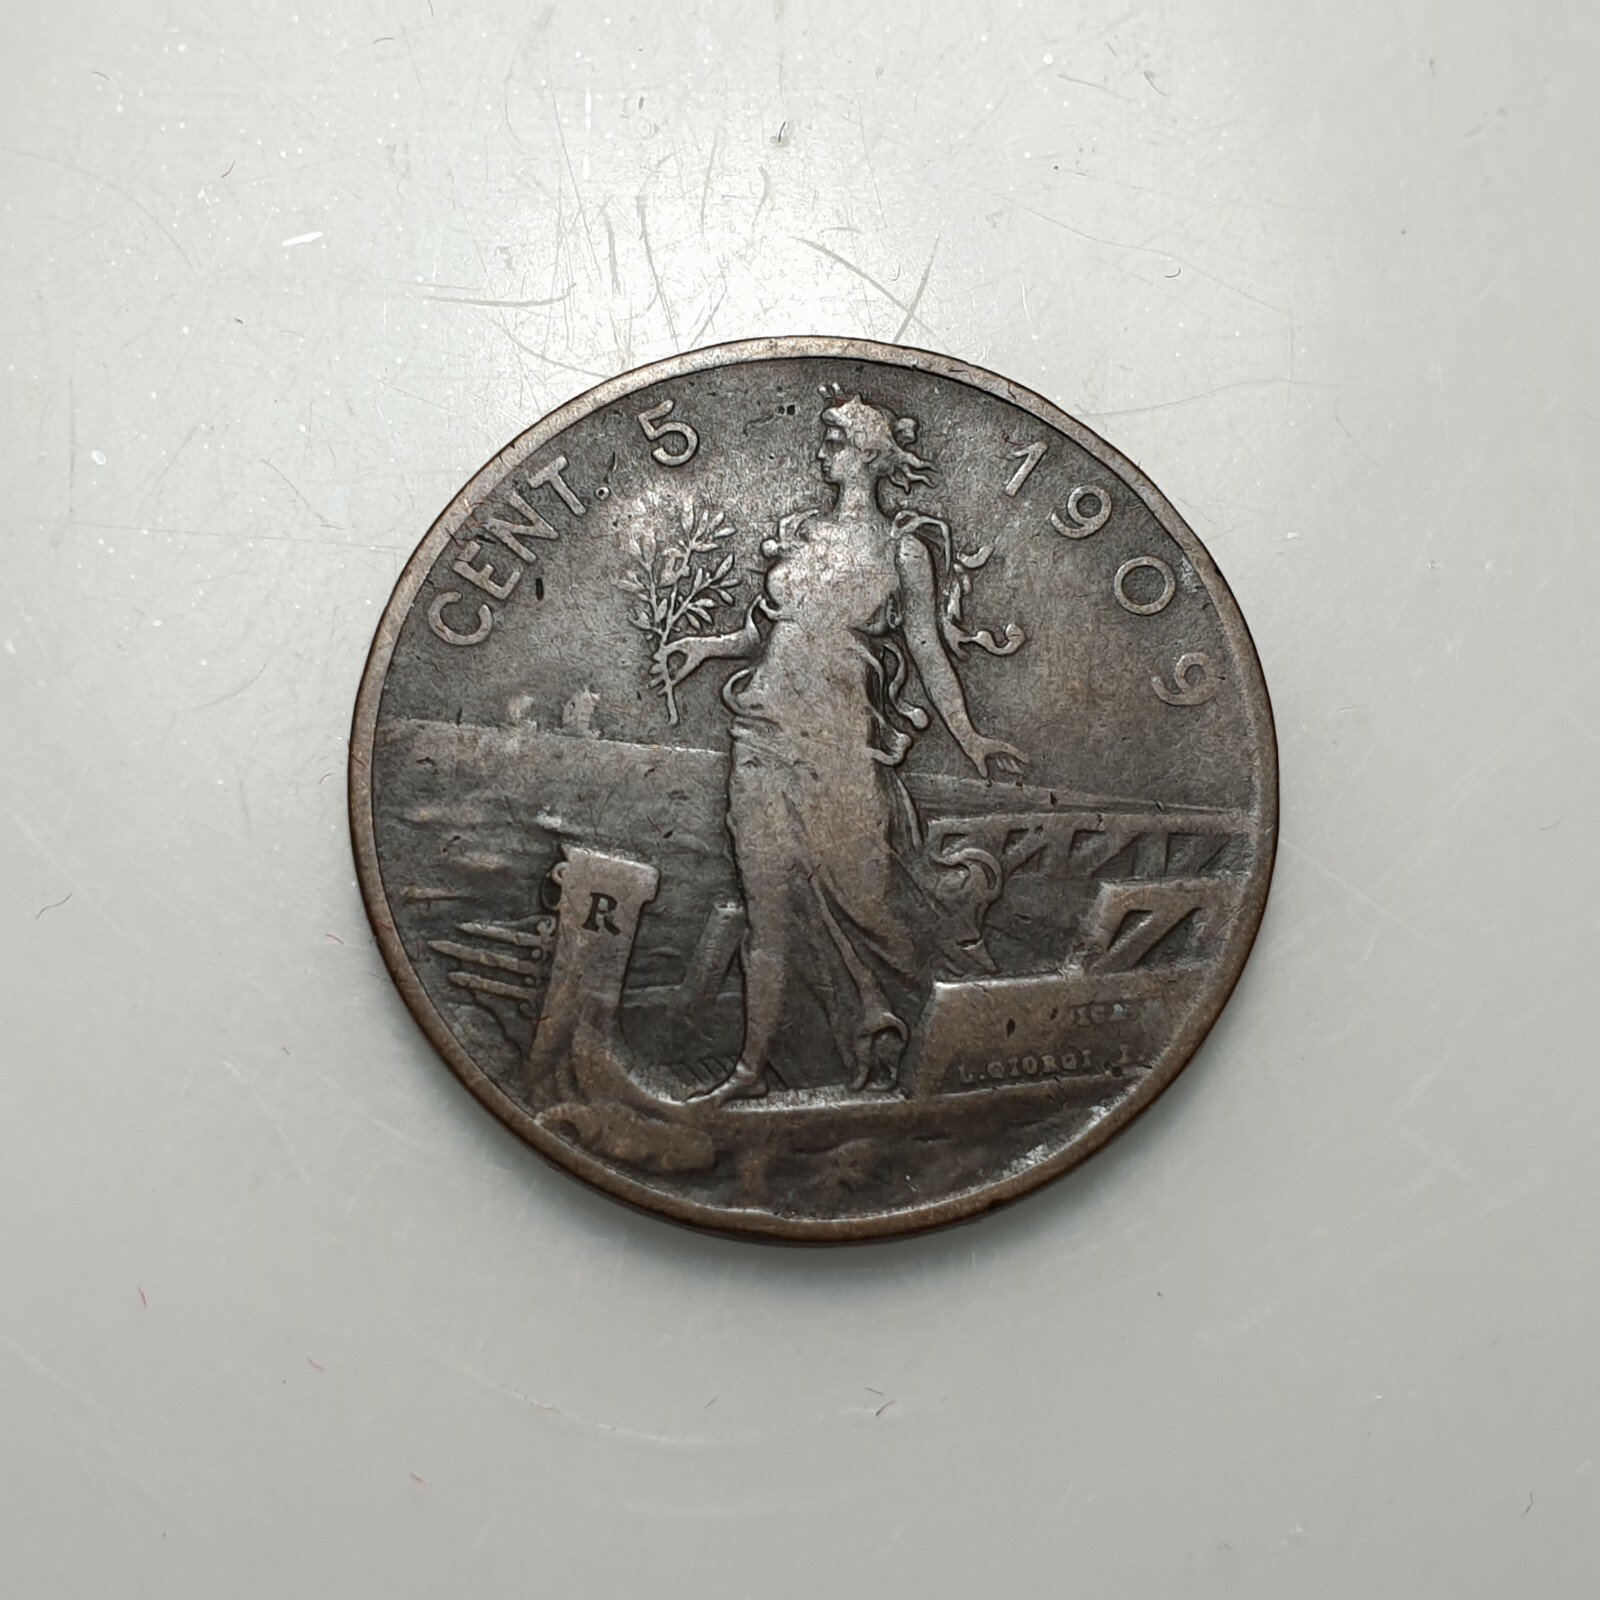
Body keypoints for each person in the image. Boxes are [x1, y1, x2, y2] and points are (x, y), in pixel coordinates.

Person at [654, 395, 1026, 1101]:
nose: (823, 452)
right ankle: (750, 1071)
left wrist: (969, 736)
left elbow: (929, 651)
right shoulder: (800, 533)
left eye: (836, 441)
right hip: (765, 730)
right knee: (768, 908)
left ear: (871, 455)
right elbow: (767, 629)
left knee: (870, 902)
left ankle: (951, 1030)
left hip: (842, 740)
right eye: (825, 440)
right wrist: (704, 647)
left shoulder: (902, 550)